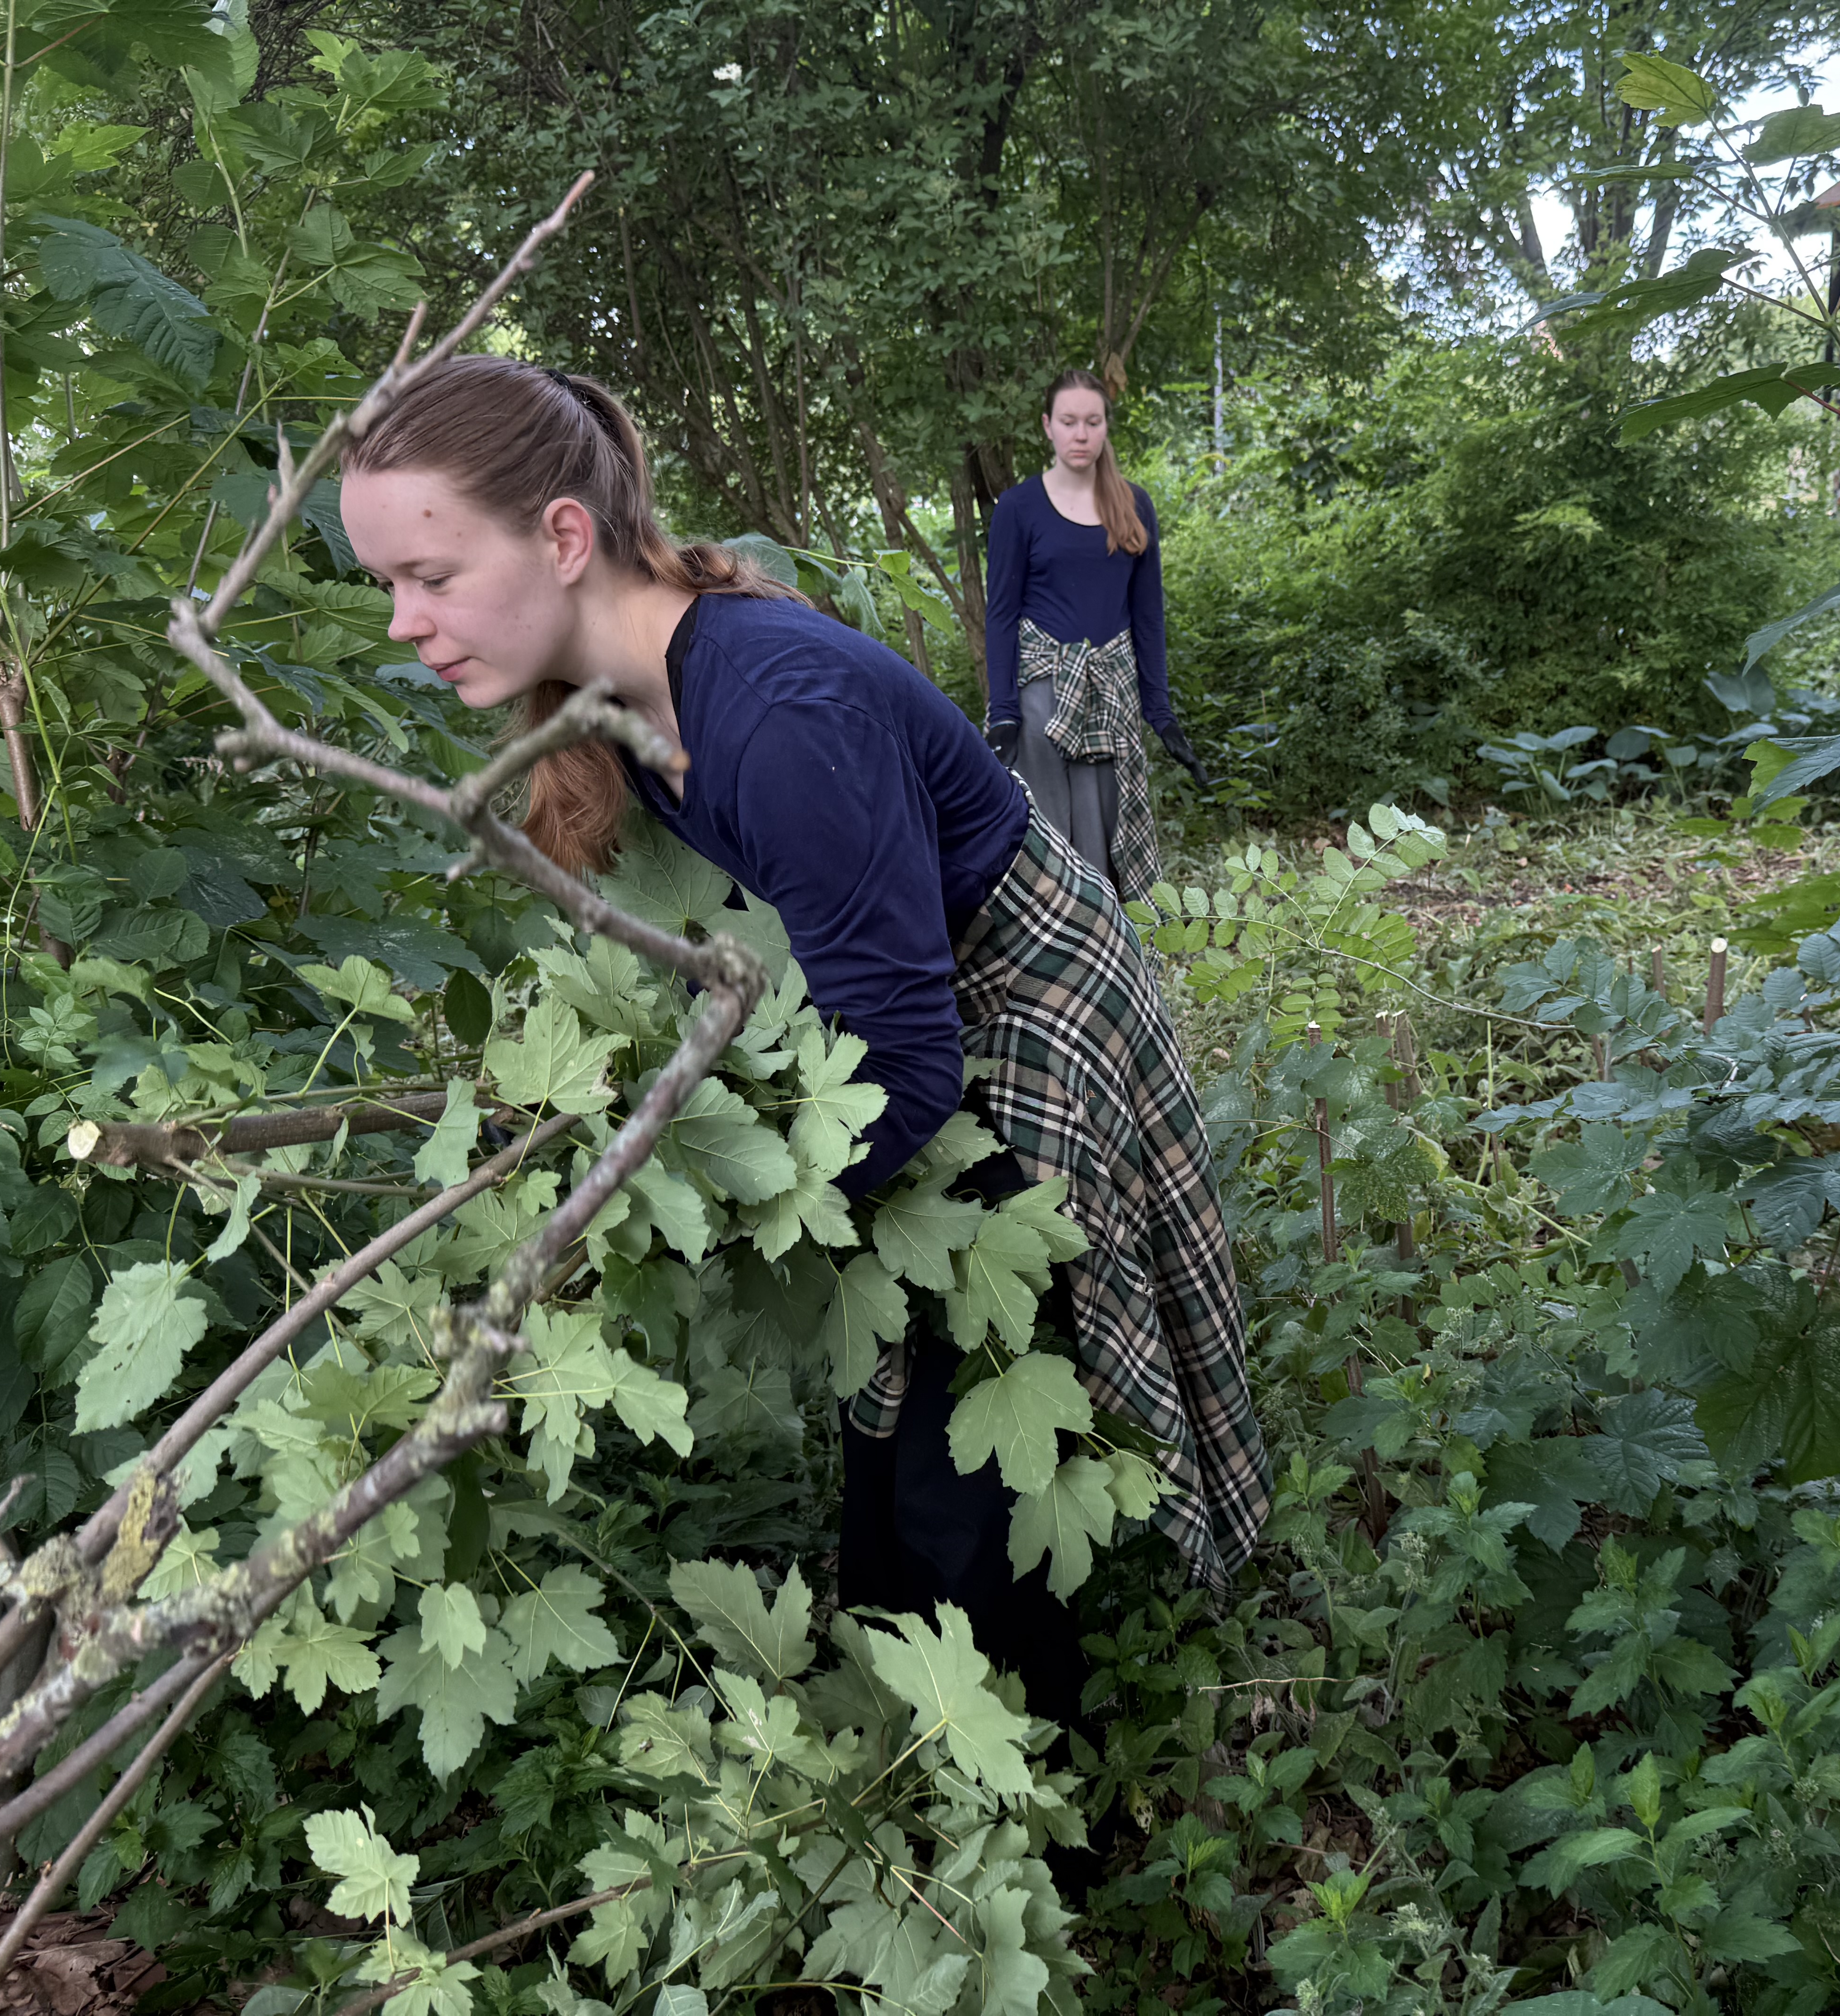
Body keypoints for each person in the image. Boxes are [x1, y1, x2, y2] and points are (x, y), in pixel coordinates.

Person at [336, 356, 1267, 1733]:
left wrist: (702, 1212)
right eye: (385, 588)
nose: (406, 624)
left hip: (1015, 1003)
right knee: (890, 1418)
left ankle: (1021, 1796)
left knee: (966, 1439)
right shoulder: (625, 701)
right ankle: (912, 1722)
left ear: (562, 536)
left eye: (431, 574)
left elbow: (908, 1072)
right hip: (909, 1008)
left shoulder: (773, 720)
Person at [980, 369, 1208, 902]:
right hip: (1040, 704)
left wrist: (1162, 713)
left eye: (1092, 421)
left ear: (1106, 428)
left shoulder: (1135, 505)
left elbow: (1148, 618)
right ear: (1048, 428)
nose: (1080, 434)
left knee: (1110, 844)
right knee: (1048, 845)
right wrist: (1006, 711)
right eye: (1068, 422)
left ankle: (1115, 967)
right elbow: (1001, 616)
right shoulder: (1019, 509)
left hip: (1113, 698)